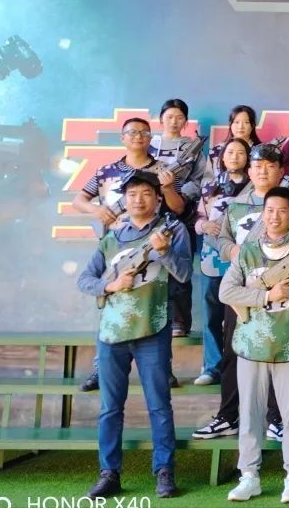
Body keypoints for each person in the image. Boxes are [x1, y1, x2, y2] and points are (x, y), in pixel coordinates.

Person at [76, 170, 191, 499]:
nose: (138, 199)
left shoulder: (173, 229)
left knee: (159, 405)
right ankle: (109, 473)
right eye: (132, 194)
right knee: (110, 408)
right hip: (112, 332)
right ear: (124, 199)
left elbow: (184, 274)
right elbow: (85, 280)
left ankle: (164, 472)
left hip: (152, 328)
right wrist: (111, 285)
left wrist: (165, 252)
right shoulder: (112, 237)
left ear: (158, 198)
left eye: (146, 193)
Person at [219, 187, 289, 503]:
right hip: (250, 344)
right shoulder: (247, 251)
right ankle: (249, 476)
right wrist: (267, 296)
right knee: (250, 414)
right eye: (269, 210)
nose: (275, 217)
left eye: (282, 211)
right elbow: (226, 292)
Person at [194, 144, 289, 441]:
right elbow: (222, 239)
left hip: (283, 291)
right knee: (234, 351)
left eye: (270, 166)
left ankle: (276, 419)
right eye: (258, 166)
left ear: (280, 171)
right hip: (243, 292)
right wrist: (232, 251)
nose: (263, 171)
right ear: (249, 170)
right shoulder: (236, 205)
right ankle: (227, 416)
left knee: (276, 350)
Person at [71, 116, 185, 392]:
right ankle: (100, 368)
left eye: (144, 132)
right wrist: (97, 210)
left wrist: (167, 188)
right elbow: (79, 200)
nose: (138, 136)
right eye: (132, 132)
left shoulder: (164, 169)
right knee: (111, 305)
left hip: (153, 245)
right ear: (122, 137)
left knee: (158, 306)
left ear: (151, 138)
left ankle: (164, 367)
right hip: (115, 246)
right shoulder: (106, 170)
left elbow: (178, 207)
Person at [194, 138, 251, 386]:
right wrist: (203, 225)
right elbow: (197, 219)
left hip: (244, 259)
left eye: (240, 152)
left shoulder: (255, 185)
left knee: (241, 314)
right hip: (213, 260)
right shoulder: (210, 188)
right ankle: (213, 367)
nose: (235, 156)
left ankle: (241, 363)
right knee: (212, 314)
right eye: (230, 152)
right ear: (222, 158)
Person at [149, 98, 206, 338]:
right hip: (149, 209)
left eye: (179, 117)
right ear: (160, 118)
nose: (174, 121)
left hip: (181, 209)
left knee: (180, 264)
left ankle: (179, 320)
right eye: (169, 116)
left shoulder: (192, 147)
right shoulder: (148, 144)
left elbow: (201, 179)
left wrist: (182, 195)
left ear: (186, 121)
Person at [208, 105, 262, 178]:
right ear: (230, 124)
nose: (240, 127)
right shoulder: (216, 151)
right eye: (237, 122)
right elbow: (207, 179)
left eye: (246, 122)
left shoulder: (261, 152)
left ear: (252, 125)